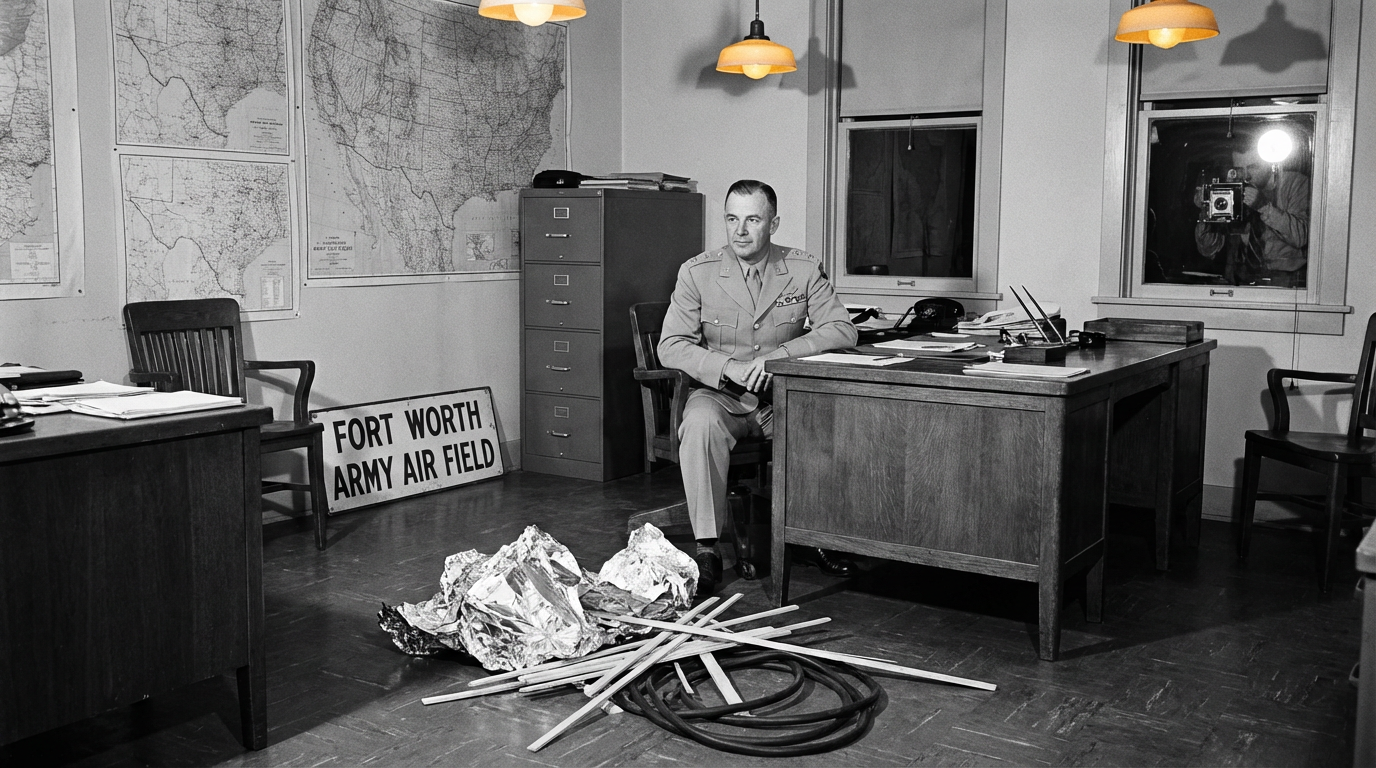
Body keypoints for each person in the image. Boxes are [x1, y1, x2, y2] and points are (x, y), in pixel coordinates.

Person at [657, 179, 860, 596]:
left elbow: (843, 330)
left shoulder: (802, 268)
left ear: (774, 223)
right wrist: (728, 366)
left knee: (823, 427)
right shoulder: (697, 272)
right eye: (732, 219)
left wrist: (780, 355)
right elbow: (671, 346)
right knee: (699, 425)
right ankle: (707, 547)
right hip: (720, 396)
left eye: (752, 219)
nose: (740, 230)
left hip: (778, 398)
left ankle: (811, 535)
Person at [1194, 144, 1310, 288]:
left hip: (1286, 279)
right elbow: (1208, 249)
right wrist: (1207, 212)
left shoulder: (1294, 183)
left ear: (1270, 163)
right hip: (1240, 280)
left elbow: (1302, 237)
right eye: (1240, 169)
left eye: (1253, 167)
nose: (1246, 176)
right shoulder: (1234, 189)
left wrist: (1264, 207)